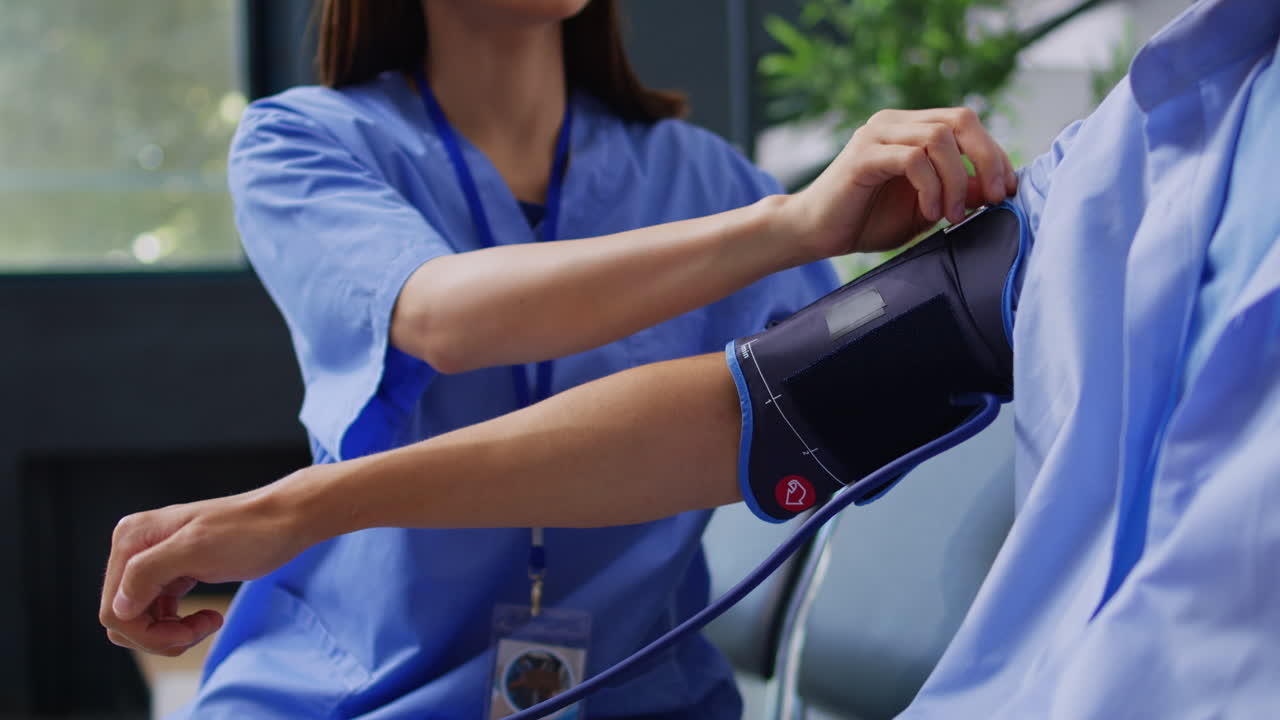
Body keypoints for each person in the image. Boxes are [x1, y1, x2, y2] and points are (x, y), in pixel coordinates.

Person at [97, 0, 1017, 717]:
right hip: (356, 691)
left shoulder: (709, 183)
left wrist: (968, 225)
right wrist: (788, 225)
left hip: (640, 693)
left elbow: (852, 409)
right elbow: (445, 316)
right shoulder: (301, 142)